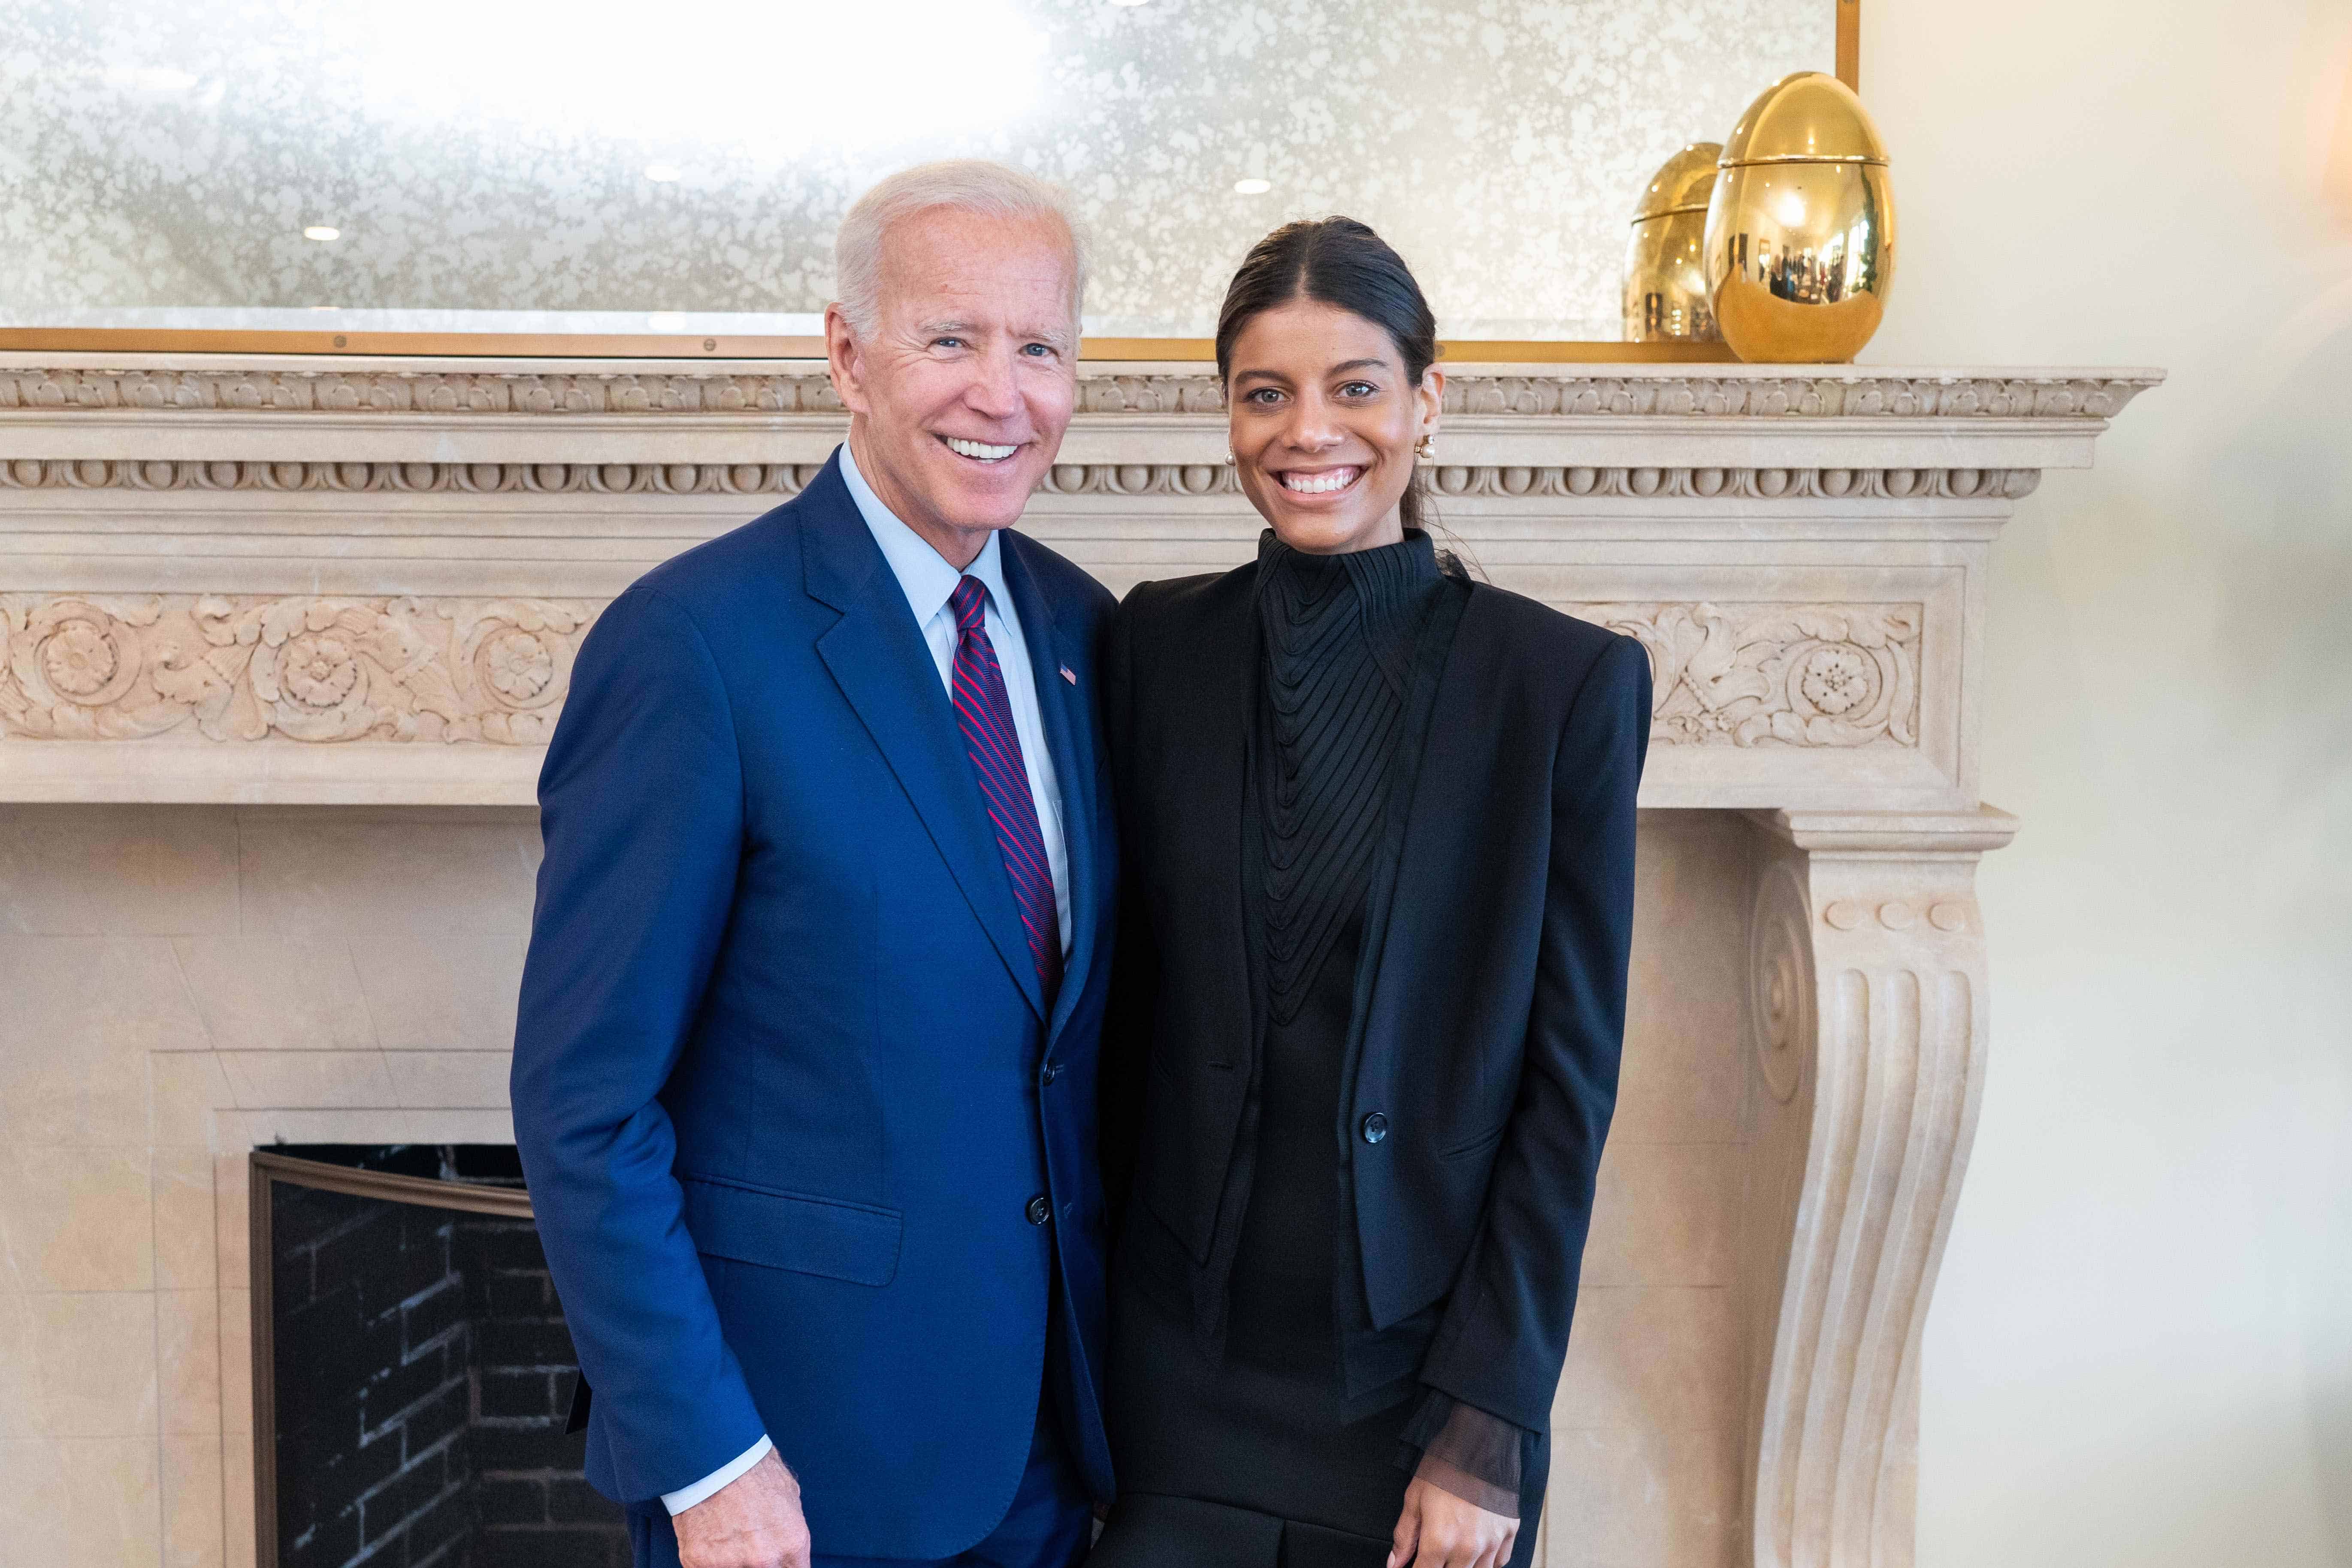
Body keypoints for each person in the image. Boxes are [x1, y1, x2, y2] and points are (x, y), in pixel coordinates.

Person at [511, 160, 1119, 1568]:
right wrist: (707, 1461)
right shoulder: (694, 647)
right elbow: (585, 1102)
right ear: (847, 354)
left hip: (1048, 1455)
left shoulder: (1085, 635)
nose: (1001, 392)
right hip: (789, 1481)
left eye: (1038, 348)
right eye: (950, 339)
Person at [1091, 218, 1653, 1568]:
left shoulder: (1559, 686)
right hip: (1168, 1380)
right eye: (1263, 392)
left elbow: (1566, 1087)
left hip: (1414, 1397)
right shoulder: (1149, 645)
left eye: (1353, 386)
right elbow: (1111, 1017)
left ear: (1424, 399)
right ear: (1225, 414)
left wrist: (1487, 1425)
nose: (1308, 431)